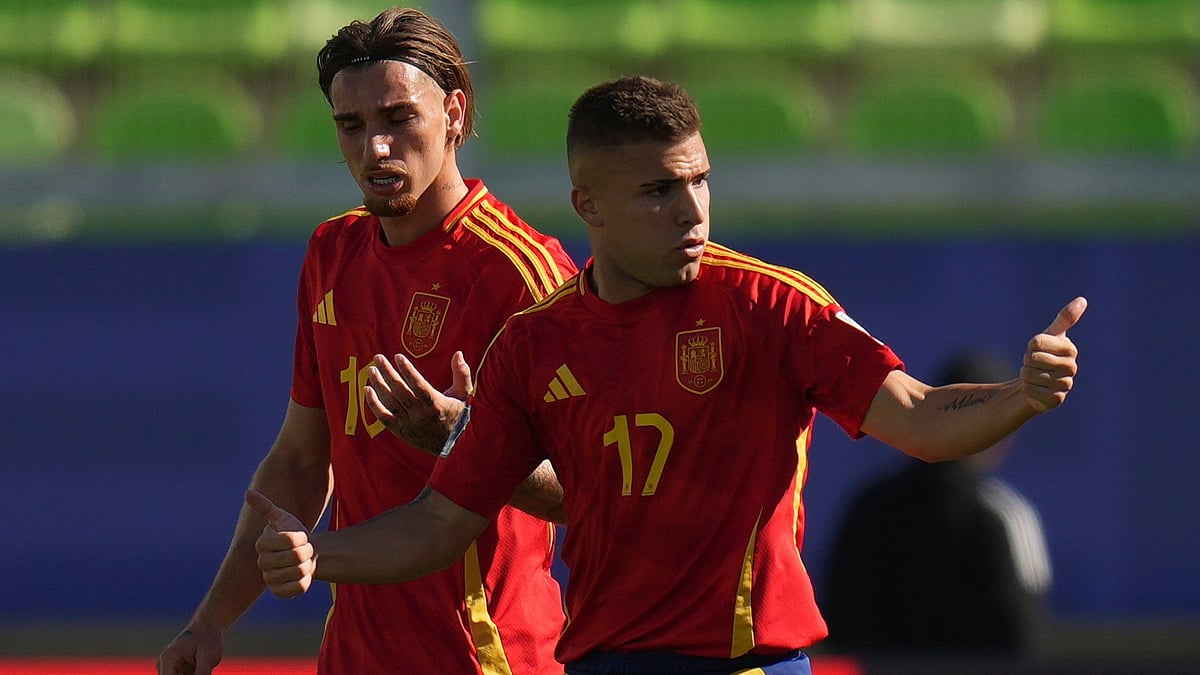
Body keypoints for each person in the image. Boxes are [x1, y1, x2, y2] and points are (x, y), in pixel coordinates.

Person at [248, 76, 1085, 675]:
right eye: (658, 190)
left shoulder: (772, 306)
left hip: (747, 661)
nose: (691, 209)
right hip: (605, 661)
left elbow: (920, 416)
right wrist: (319, 553)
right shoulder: (536, 345)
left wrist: (1021, 396)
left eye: (699, 179)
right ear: (589, 206)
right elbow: (438, 523)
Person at [157, 8, 577, 675]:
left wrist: (459, 436)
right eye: (351, 126)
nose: (375, 148)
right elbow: (301, 460)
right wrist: (211, 621)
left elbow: (587, 489)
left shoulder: (520, 272)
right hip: (353, 656)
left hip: (487, 656)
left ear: (455, 115)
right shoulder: (333, 251)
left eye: (399, 118)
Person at [822, 349, 1053, 656]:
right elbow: (1024, 634)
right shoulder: (1003, 514)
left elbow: (840, 622)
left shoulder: (869, 505)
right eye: (1005, 419)